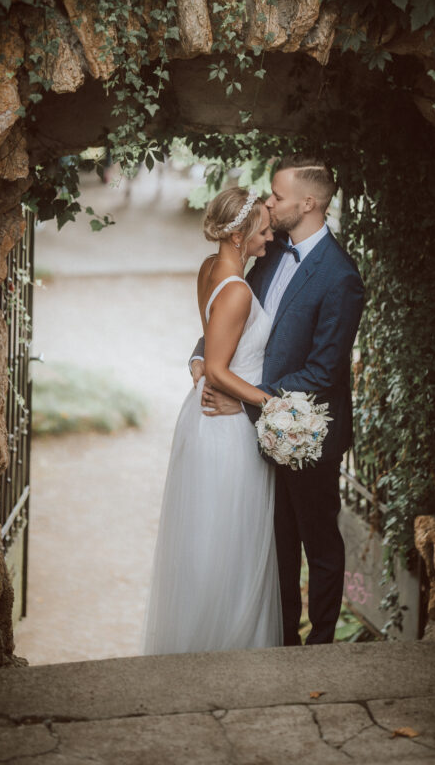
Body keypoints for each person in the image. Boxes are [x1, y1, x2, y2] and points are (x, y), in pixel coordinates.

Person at [195, 157, 364, 646]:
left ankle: (321, 645)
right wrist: (201, 357)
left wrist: (248, 402)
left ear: (307, 203)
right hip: (260, 428)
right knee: (277, 546)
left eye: (277, 196)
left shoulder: (341, 277)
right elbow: (235, 315)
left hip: (308, 433)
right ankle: (283, 641)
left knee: (319, 543)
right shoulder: (270, 252)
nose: (269, 203)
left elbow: (323, 371)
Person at [142, 187, 282, 654]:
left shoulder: (208, 269)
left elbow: (209, 344)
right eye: (263, 231)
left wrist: (200, 364)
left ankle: (199, 640)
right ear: (239, 236)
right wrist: (271, 404)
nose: (269, 238)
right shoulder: (238, 290)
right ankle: (224, 644)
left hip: (205, 417)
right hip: (227, 426)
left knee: (206, 536)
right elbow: (220, 368)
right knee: (229, 538)